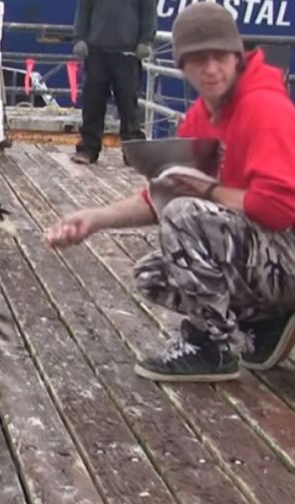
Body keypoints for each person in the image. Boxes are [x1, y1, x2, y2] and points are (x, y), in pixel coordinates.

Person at [45, 2, 295, 382]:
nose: (210, 70)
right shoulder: (203, 115)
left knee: (184, 216)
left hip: (287, 250)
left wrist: (209, 190)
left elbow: (279, 209)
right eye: (198, 60)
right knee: (155, 274)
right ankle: (267, 319)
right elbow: (161, 193)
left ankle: (212, 347)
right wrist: (94, 220)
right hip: (270, 257)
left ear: (237, 55)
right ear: (182, 64)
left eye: (220, 57)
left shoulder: (265, 107)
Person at [71, 0, 157, 165]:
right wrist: (79, 39)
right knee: (92, 104)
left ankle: (133, 152)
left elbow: (149, 13)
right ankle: (88, 149)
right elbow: (83, 11)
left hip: (128, 54)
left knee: (128, 105)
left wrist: (146, 41)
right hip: (96, 53)